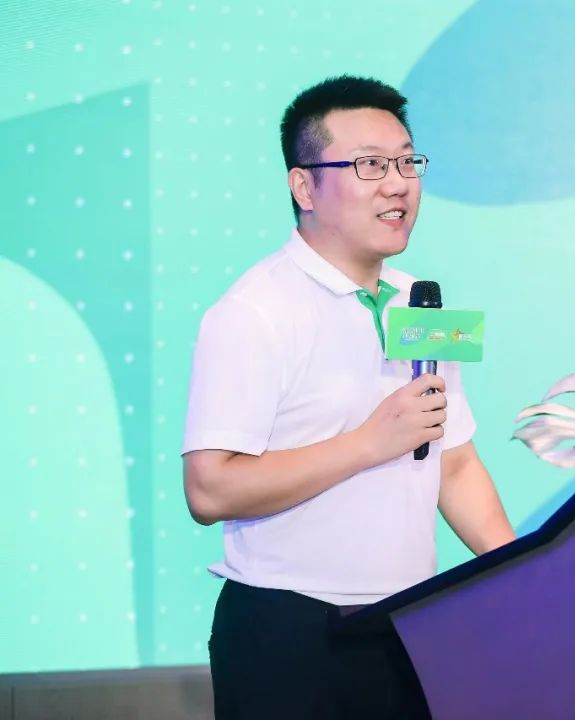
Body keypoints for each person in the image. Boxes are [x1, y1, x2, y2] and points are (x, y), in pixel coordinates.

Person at [181, 75, 515, 719]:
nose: (398, 184)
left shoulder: (420, 302)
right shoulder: (254, 311)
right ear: (304, 187)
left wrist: (519, 575)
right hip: (291, 633)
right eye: (369, 165)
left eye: (407, 162)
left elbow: (453, 462)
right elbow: (210, 490)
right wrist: (369, 443)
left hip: (408, 624)